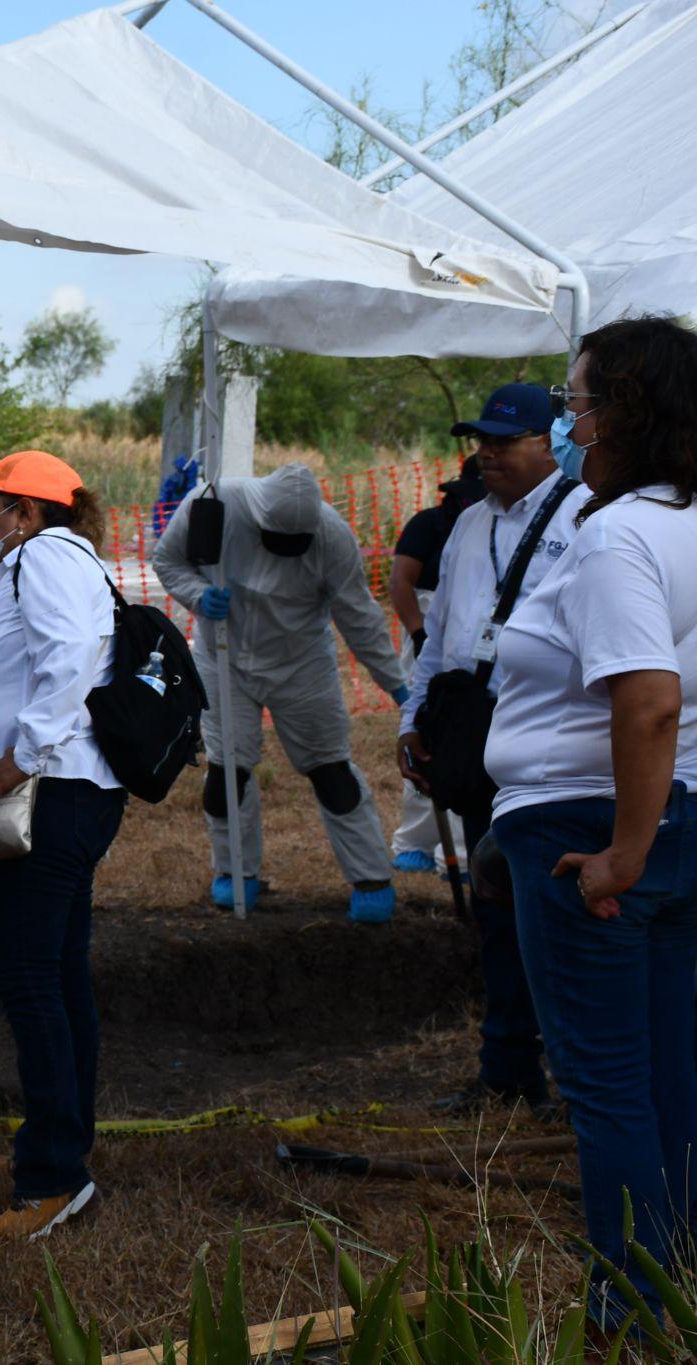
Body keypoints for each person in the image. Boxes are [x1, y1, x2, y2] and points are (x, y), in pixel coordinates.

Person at [485, 316, 697, 1323]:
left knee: (605, 1081)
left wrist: (620, 852)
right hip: (670, 816)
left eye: (573, 405)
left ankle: (629, 1306)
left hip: (588, 824)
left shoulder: (617, 533)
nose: (566, 426)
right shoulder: (681, 519)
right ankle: (675, 1272)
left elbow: (646, 701)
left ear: (622, 413)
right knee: (666, 1068)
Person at [0, 450, 124, 1240]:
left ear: (27, 510)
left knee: (28, 978)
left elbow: (68, 657)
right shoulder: (67, 559)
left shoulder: (43, 556)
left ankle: (53, 1175)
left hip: (54, 791)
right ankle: (60, 1143)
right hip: (76, 790)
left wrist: (25, 753)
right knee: (57, 973)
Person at [397, 385, 588, 1117]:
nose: (489, 452)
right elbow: (441, 634)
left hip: (554, 751)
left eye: (508, 441)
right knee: (499, 910)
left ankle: (577, 1081)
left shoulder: (585, 517)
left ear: (552, 441)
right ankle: (507, 1069)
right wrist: (416, 720)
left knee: (556, 919)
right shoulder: (469, 523)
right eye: (483, 439)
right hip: (481, 747)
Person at [152, 462, 407, 921]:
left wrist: (398, 686)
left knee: (331, 769)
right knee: (228, 772)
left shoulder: (333, 536)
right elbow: (168, 561)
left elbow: (359, 616)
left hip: (301, 662)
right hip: (224, 657)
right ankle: (235, 873)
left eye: (296, 544)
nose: (286, 550)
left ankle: (371, 877)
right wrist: (197, 594)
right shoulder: (213, 505)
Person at [385, 457, 481, 873]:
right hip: (430, 631)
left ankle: (456, 850)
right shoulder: (429, 524)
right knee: (425, 731)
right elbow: (400, 581)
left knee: (467, 741)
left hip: (475, 640)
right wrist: (420, 632)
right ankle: (415, 840)